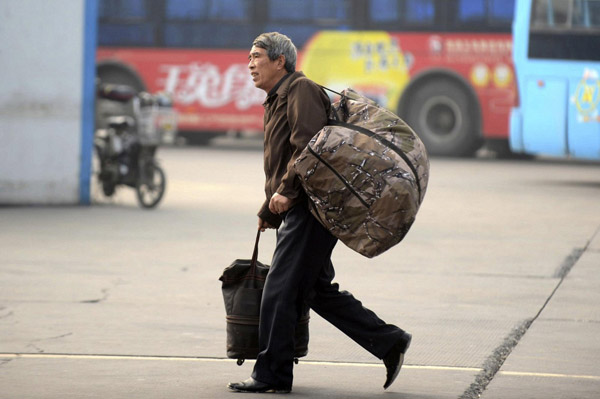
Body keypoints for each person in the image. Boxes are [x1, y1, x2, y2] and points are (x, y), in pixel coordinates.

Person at [227, 32, 412, 394]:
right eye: (248, 57)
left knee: (279, 289)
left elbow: (310, 148)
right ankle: (389, 342)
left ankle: (271, 375)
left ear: (280, 60)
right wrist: (270, 208)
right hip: (299, 207)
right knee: (314, 289)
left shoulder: (300, 90)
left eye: (256, 56)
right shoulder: (278, 97)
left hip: (311, 209)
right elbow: (284, 162)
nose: (249, 63)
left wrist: (286, 192)